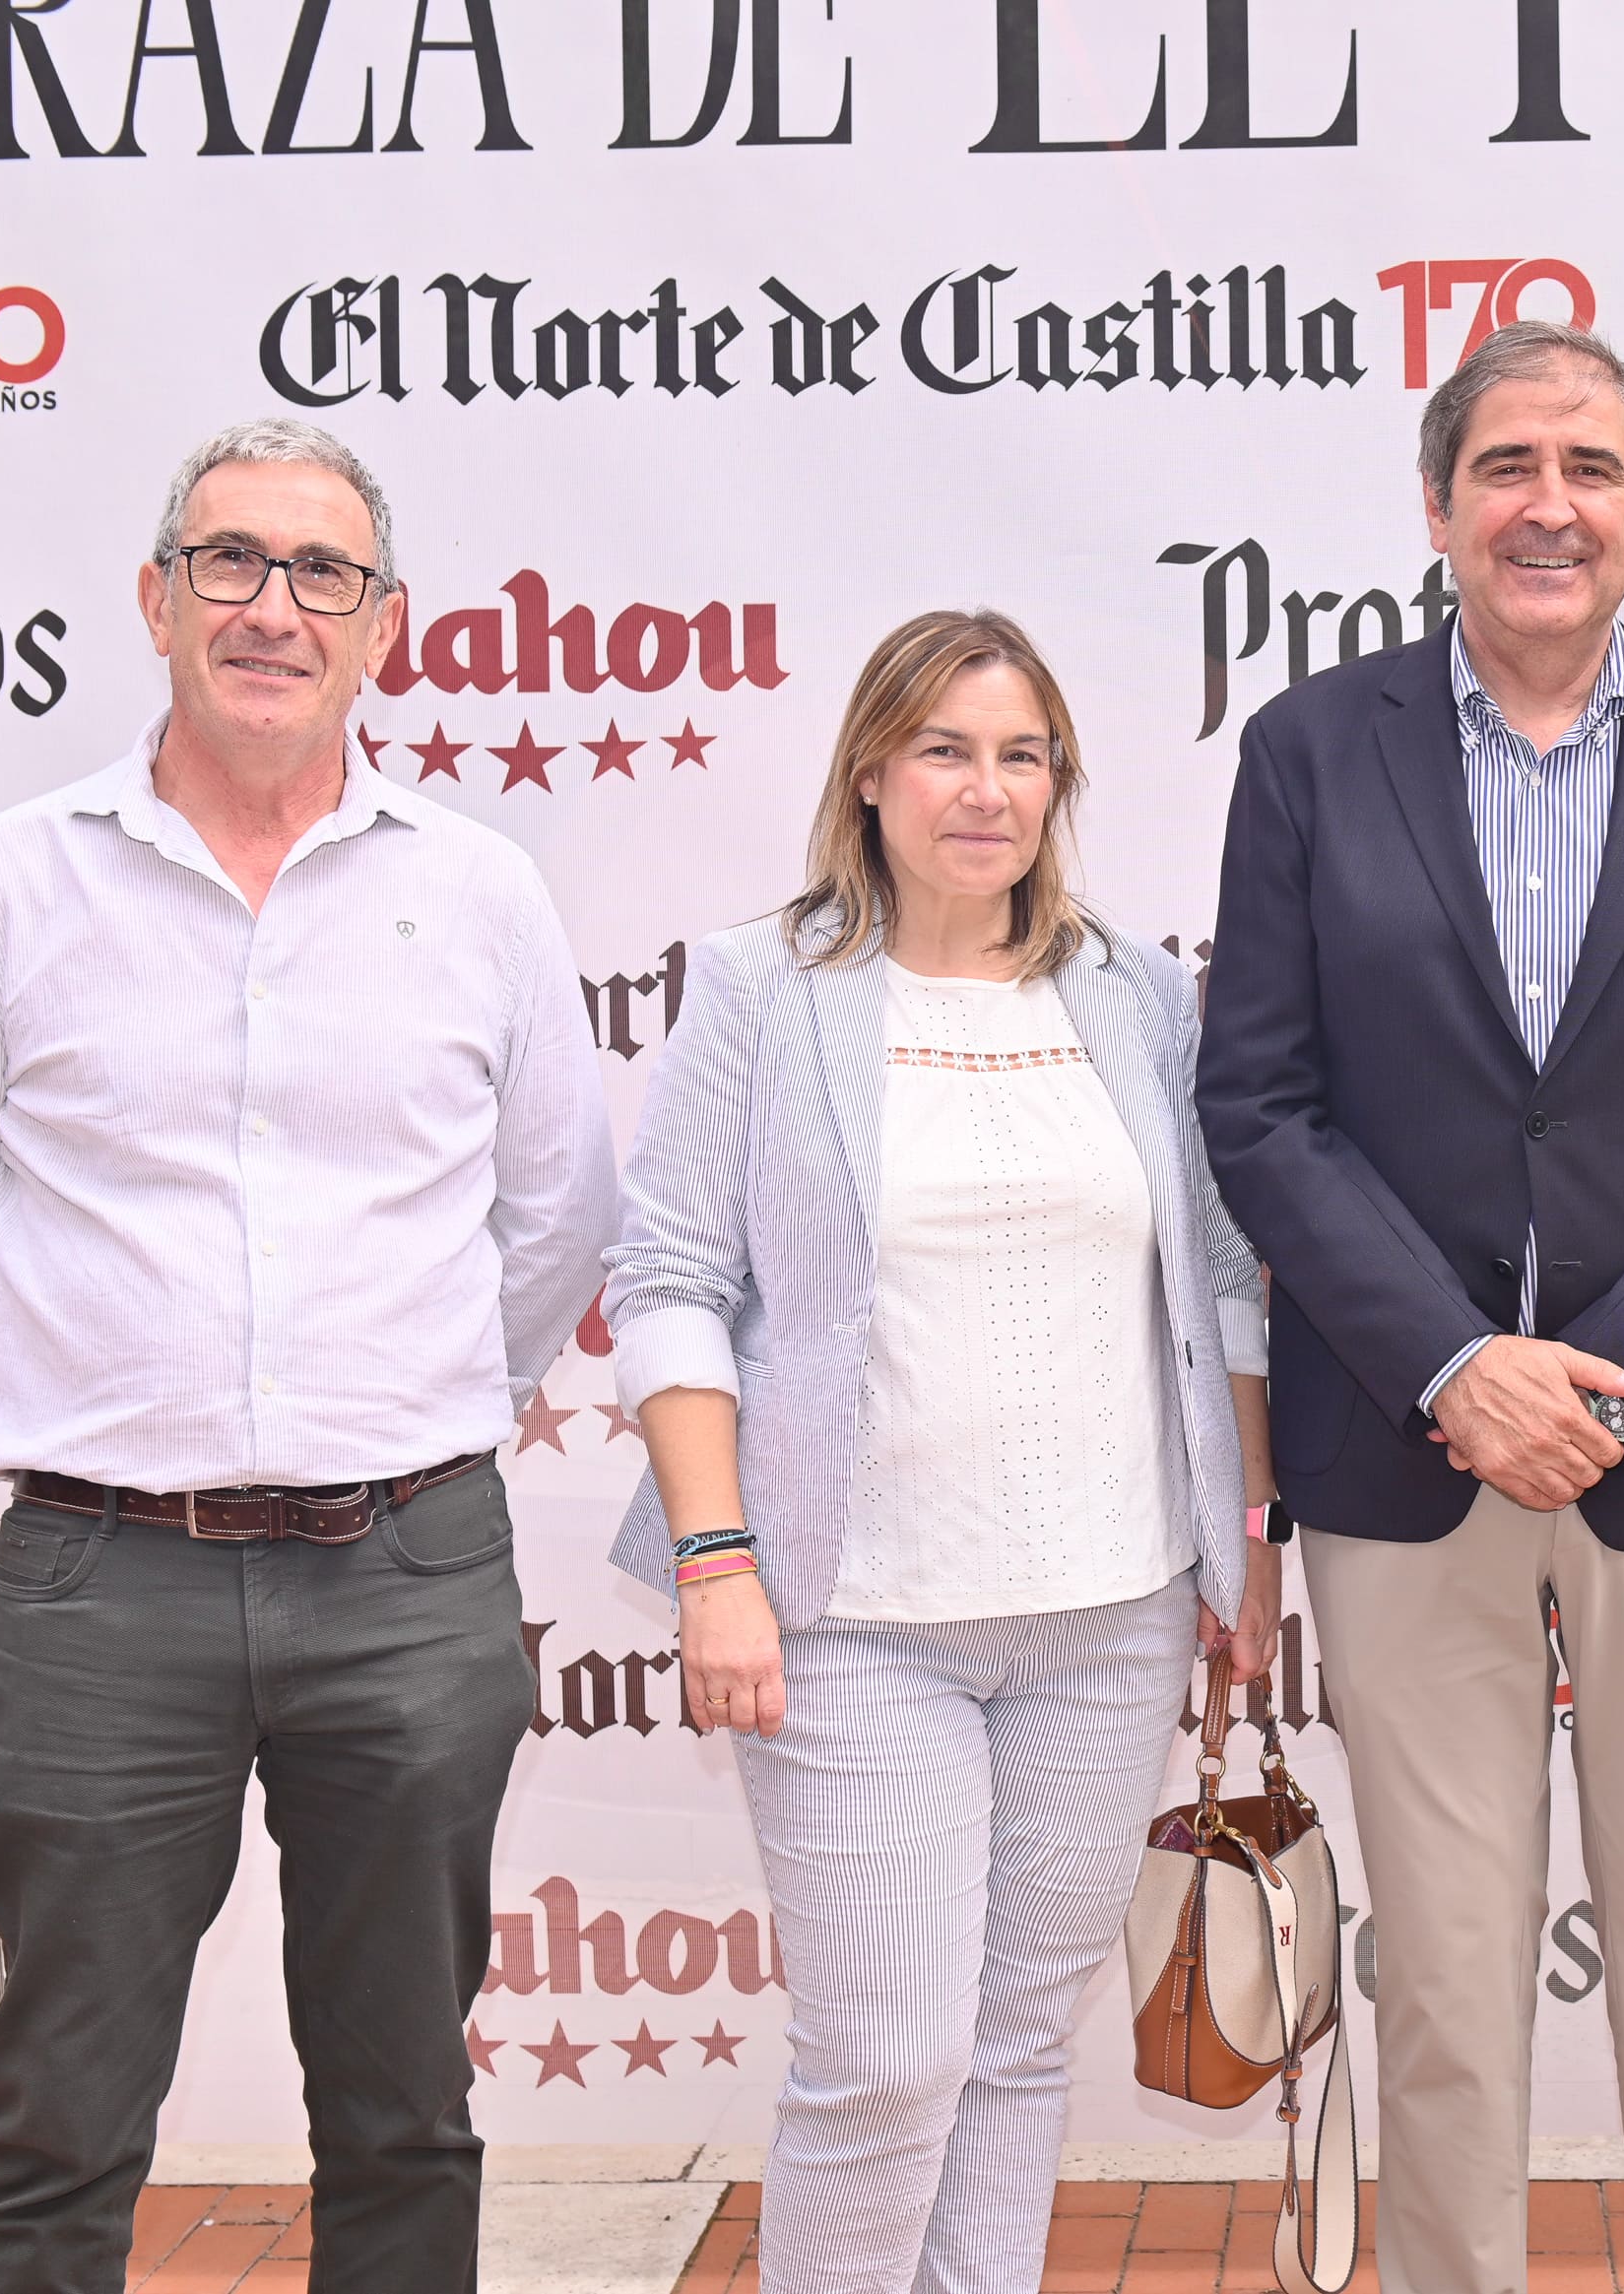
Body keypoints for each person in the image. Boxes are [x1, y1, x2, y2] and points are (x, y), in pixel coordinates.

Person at [0, 417, 617, 2292]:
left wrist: (406, 1416)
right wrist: (104, 1425)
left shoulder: (483, 894)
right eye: (232, 561)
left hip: (410, 1572)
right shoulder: (10, 884)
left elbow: (555, 1227)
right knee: (52, 2129)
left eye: (323, 575)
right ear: (156, 597)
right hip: (104, 1581)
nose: (275, 607)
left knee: (404, 2121)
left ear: (386, 631)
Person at [1196, 320, 1624, 2294]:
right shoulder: (1314, 753)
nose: (1546, 504)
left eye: (1589, 466)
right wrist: (1452, 1365)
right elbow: (1262, 1097)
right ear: (1438, 505)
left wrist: (1605, 1384)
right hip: (1407, 1462)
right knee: (1449, 1987)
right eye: (1506, 465)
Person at [603, 609, 1279, 2294]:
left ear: (1062, 782)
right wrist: (716, 1564)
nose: (987, 789)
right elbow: (673, 1278)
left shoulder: (1128, 988)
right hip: (852, 1616)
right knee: (884, 2063)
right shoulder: (766, 985)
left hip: (1112, 1615)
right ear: (871, 772)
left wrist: (1240, 1543)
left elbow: (1211, 1278)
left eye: (1023, 753)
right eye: (947, 749)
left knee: (1014, 2048)